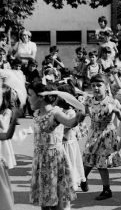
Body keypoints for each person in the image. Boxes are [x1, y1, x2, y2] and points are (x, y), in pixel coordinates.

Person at [28, 82, 78, 210]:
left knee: (59, 198)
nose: (28, 98)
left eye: (30, 95)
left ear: (41, 97)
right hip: (41, 159)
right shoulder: (37, 113)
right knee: (44, 199)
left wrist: (81, 112)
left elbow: (70, 122)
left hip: (54, 160)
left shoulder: (55, 112)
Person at [81, 74, 121, 200]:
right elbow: (83, 115)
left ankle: (107, 190)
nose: (95, 88)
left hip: (106, 135)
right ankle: (83, 179)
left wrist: (116, 111)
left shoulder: (112, 101)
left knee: (101, 163)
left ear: (106, 87)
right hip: (93, 133)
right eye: (93, 85)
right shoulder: (89, 100)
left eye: (99, 85)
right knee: (89, 159)